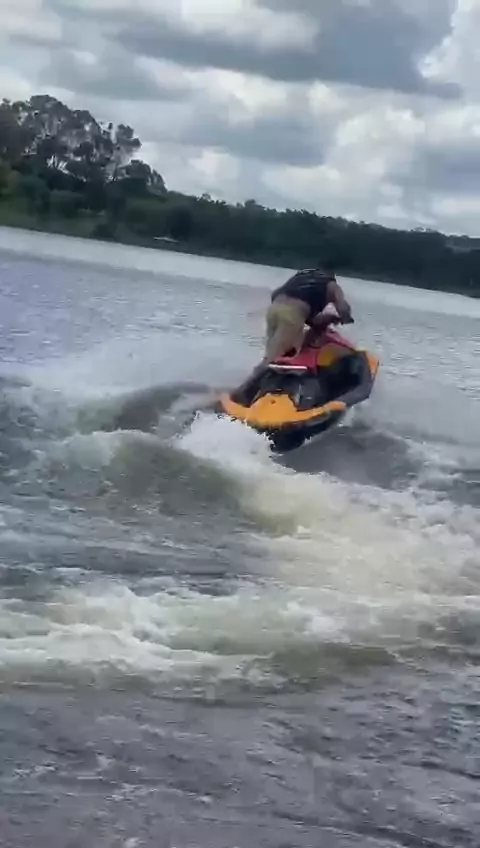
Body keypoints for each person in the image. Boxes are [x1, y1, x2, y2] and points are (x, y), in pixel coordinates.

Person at [232, 265, 353, 399]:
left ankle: (264, 391)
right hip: (291, 316)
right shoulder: (330, 284)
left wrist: (322, 319)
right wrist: (345, 317)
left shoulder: (302, 278)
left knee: (276, 357)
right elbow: (343, 307)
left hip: (274, 310)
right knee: (273, 360)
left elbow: (281, 296)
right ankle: (242, 394)